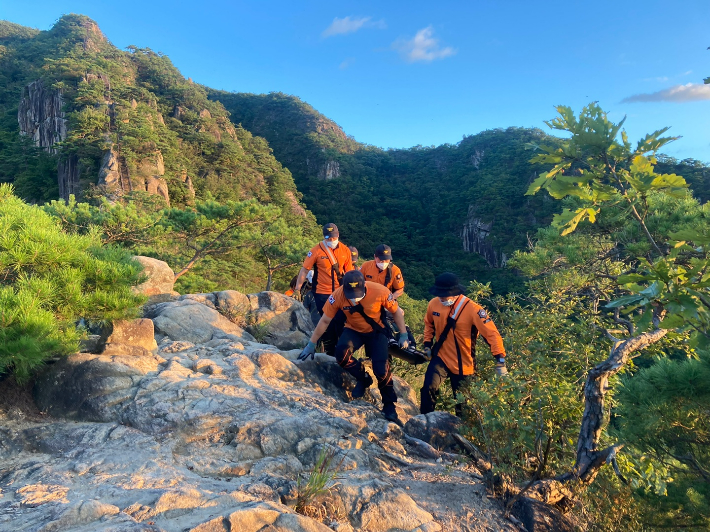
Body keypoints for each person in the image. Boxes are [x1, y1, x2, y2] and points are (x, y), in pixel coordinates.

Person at [299, 270, 410, 424]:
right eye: (351, 294)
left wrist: (403, 334)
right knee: (341, 355)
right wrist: (311, 343)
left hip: (376, 331)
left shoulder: (380, 291)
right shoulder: (338, 295)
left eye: (358, 293)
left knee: (381, 369)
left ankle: (389, 404)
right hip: (354, 329)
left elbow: (396, 312)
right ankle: (363, 378)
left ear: (364, 286)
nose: (354, 297)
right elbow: (324, 321)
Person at [421, 272, 507, 415]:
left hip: (464, 364)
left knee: (463, 405)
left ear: (455, 293)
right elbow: (429, 324)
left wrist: (500, 358)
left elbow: (491, 333)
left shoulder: (473, 310)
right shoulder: (433, 304)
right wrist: (427, 345)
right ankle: (423, 420)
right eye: (439, 294)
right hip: (441, 357)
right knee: (428, 387)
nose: (441, 297)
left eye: (444, 294)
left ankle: (463, 433)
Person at [294, 223, 354, 356]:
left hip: (340, 292)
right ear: (324, 237)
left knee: (341, 322)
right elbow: (305, 270)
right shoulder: (316, 251)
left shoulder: (345, 250)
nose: (331, 241)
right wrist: (297, 289)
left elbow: (350, 272)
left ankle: (343, 353)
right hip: (322, 293)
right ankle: (329, 352)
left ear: (338, 235)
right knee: (327, 323)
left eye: (333, 238)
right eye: (328, 238)